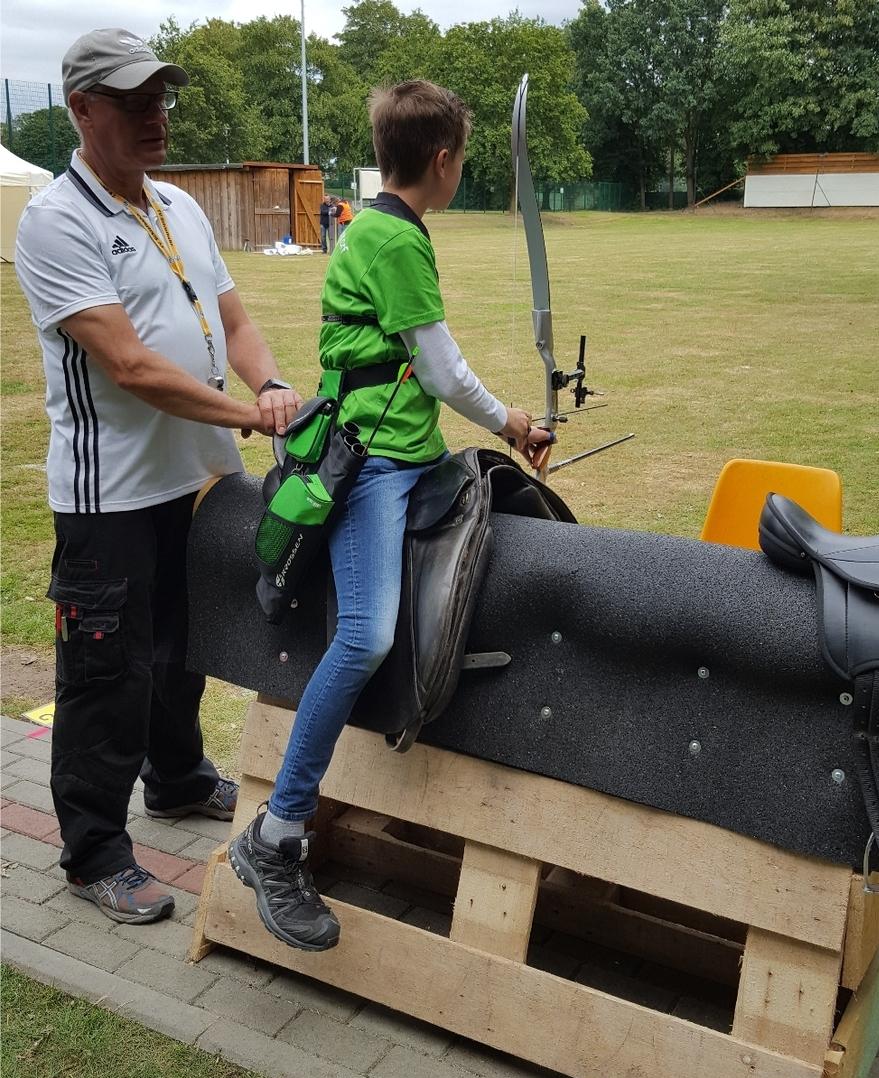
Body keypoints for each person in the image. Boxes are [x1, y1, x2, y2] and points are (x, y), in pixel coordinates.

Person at [227, 80, 550, 951]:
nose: (461, 170)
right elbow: (440, 372)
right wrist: (515, 422)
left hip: (410, 458)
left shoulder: (381, 226)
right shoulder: (392, 239)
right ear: (442, 161)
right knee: (366, 636)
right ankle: (277, 834)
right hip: (374, 468)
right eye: (462, 159)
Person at [11, 29, 302, 923]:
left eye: (161, 98)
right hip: (112, 500)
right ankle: (94, 850)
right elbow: (130, 367)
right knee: (108, 675)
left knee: (186, 652)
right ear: (82, 110)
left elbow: (235, 323)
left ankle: (176, 780)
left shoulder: (178, 207)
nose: (156, 115)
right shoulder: (55, 218)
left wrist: (273, 382)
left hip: (198, 483)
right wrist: (251, 417)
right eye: (134, 101)